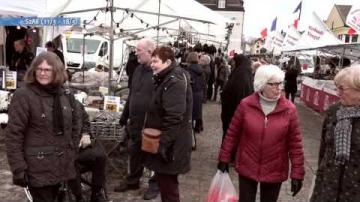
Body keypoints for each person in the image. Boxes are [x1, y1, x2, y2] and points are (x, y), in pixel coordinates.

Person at [218, 64, 305, 202]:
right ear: (262, 85)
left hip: (275, 168)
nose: (279, 88)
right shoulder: (246, 105)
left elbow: (295, 144)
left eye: (280, 84)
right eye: (273, 84)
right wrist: (224, 157)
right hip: (248, 164)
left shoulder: (289, 109)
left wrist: (297, 173)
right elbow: (232, 133)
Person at [5, 52, 80, 202]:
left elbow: (76, 124)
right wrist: (18, 167)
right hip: (37, 167)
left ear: (56, 72)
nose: (42, 73)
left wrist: (71, 150)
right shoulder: (24, 95)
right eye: (39, 69)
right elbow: (14, 134)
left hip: (63, 165)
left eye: (47, 70)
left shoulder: (65, 93)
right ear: (33, 70)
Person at [144, 46, 192, 202]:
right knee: (166, 186)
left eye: (155, 61)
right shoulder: (166, 78)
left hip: (170, 146)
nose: (152, 64)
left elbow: (174, 117)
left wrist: (163, 144)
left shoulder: (173, 81)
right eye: (151, 61)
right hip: (168, 143)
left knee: (169, 189)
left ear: (168, 62)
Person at [114, 38, 159, 200]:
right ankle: (133, 180)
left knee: (153, 154)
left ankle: (155, 185)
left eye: (139, 50)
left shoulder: (158, 71)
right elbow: (132, 94)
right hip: (135, 120)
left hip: (151, 123)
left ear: (149, 52)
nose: (136, 53)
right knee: (134, 151)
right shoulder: (138, 70)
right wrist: (124, 116)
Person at [310, 65, 360, 202]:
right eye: (337, 87)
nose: (338, 93)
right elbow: (324, 151)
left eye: (342, 88)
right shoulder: (334, 111)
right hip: (327, 188)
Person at [68, 100, 107, 202]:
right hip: (62, 153)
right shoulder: (50, 104)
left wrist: (86, 134)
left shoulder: (76, 104)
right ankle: (78, 197)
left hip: (80, 149)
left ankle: (96, 194)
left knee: (100, 155)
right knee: (71, 161)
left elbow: (86, 121)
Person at [220, 54, 254, 141]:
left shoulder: (239, 76)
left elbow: (234, 94)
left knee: (230, 136)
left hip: (233, 113)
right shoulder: (246, 74)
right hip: (237, 112)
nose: (232, 64)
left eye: (234, 62)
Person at [186, 52, 205, 133]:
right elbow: (204, 83)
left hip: (192, 93)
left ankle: (189, 131)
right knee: (198, 111)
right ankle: (198, 126)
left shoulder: (189, 70)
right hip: (199, 92)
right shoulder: (201, 69)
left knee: (189, 113)